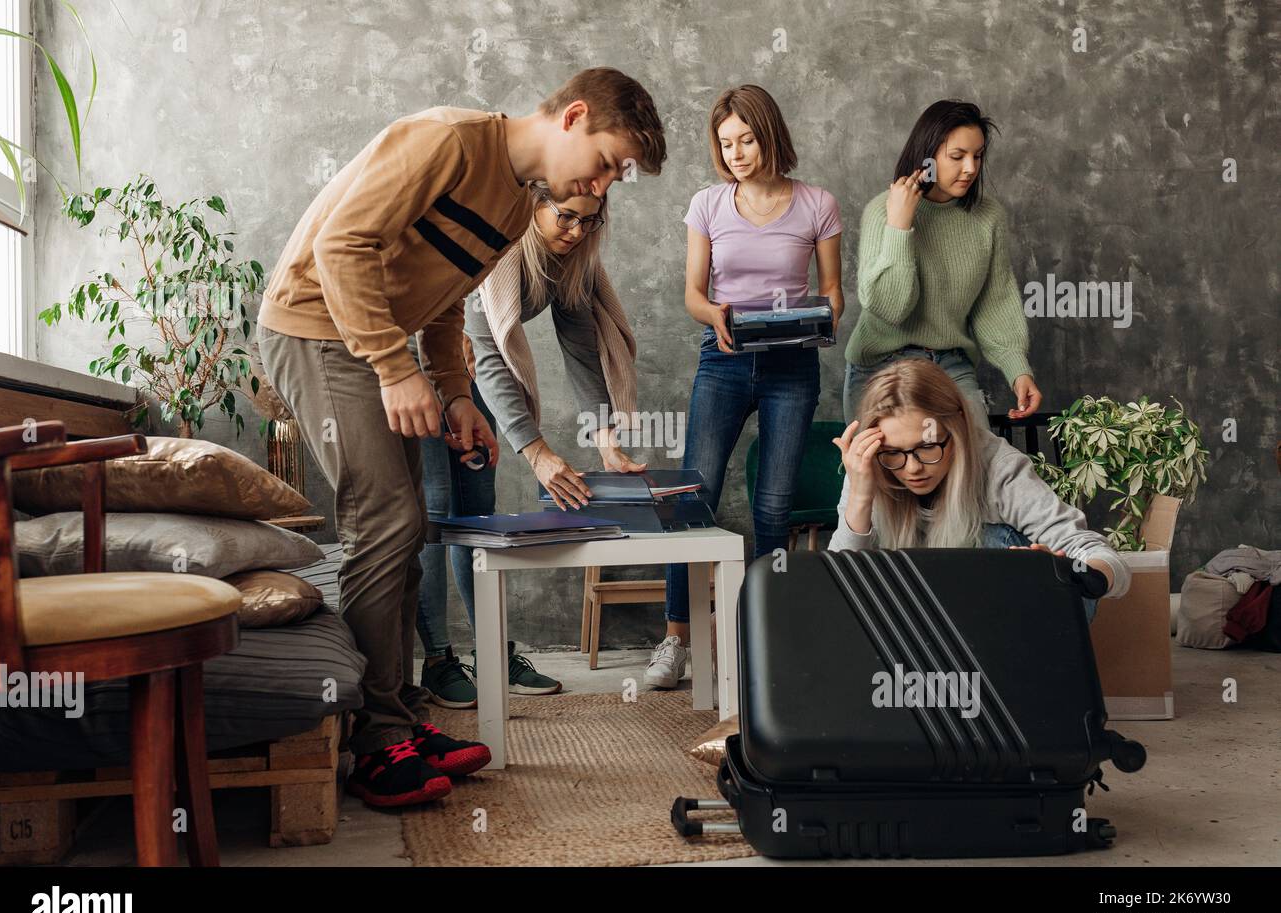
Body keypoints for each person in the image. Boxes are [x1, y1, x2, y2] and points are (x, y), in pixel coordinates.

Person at [257, 68, 666, 808]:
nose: (602, 188)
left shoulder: (516, 203)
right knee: (387, 521)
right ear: (573, 116)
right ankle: (376, 741)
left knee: (408, 526)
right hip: (316, 327)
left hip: (372, 339)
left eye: (616, 177)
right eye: (607, 162)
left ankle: (400, 715)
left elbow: (444, 305)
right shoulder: (447, 140)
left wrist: (451, 392)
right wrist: (391, 365)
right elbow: (342, 247)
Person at [417, 181, 645, 706]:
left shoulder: (570, 258)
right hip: (421, 366)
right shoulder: (497, 247)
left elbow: (583, 349)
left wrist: (605, 439)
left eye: (589, 221)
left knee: (477, 515)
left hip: (474, 380)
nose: (576, 230)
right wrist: (536, 451)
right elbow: (489, 351)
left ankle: (493, 651)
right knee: (433, 512)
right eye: (566, 217)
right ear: (533, 205)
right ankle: (437, 660)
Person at [647, 84, 844, 689]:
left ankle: (764, 633)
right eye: (725, 143)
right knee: (691, 495)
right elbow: (693, 295)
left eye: (746, 139)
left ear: (769, 134)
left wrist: (815, 320)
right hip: (724, 359)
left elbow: (835, 294)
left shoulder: (816, 204)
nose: (735, 152)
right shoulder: (708, 204)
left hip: (792, 367)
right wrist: (717, 318)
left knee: (773, 506)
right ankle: (676, 637)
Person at [828, 359, 1128, 622]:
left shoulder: (998, 467)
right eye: (894, 453)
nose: (912, 469)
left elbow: (1096, 553)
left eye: (927, 447)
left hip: (1004, 622)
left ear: (957, 424)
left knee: (1001, 543)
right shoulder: (868, 466)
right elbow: (839, 588)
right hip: (920, 622)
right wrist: (861, 495)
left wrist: (1066, 573)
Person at [842, 100, 1043, 433]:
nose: (970, 168)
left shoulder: (987, 217)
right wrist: (900, 225)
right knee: (883, 472)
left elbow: (995, 302)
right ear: (927, 157)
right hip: (880, 366)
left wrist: (1018, 370)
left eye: (977, 156)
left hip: (950, 363)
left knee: (977, 461)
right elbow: (890, 308)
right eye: (957, 156)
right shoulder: (882, 211)